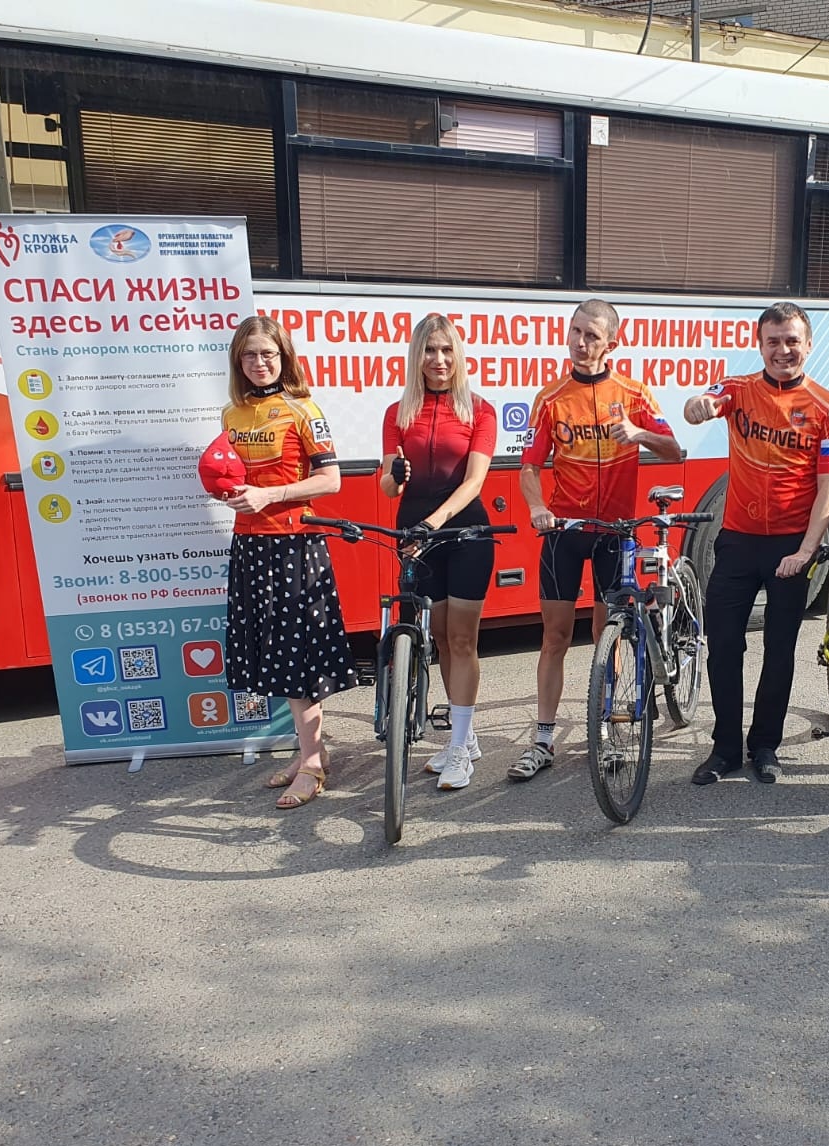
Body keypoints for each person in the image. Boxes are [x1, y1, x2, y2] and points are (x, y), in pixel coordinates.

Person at [511, 299, 681, 781]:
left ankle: (605, 728)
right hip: (564, 532)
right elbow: (529, 468)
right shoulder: (551, 397)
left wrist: (639, 433)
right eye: (576, 332)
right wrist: (537, 508)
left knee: (610, 633)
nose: (581, 343)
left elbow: (674, 450)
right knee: (555, 637)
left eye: (592, 335)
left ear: (612, 343)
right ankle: (543, 739)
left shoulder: (634, 393)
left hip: (616, 533)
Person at [684, 301, 829, 785]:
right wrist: (698, 405)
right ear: (760, 345)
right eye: (773, 341)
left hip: (791, 548)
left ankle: (765, 745)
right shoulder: (738, 390)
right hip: (737, 542)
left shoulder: (826, 406)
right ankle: (725, 748)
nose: (783, 350)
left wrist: (806, 551)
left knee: (779, 650)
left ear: (808, 344)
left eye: (792, 340)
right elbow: (703, 404)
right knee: (723, 645)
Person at [220, 315, 359, 810]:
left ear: (284, 358)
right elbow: (234, 476)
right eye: (250, 354)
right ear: (238, 361)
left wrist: (270, 495)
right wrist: (229, 492)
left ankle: (314, 764)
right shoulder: (231, 414)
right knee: (273, 657)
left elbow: (330, 480)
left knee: (296, 661)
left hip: (294, 546)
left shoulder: (304, 409)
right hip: (249, 546)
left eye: (268, 354)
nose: (259, 363)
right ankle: (308, 752)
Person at [379, 314, 498, 791]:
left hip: (465, 533)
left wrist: (434, 522)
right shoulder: (397, 413)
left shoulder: (479, 410)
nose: (439, 359)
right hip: (414, 535)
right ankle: (463, 739)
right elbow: (388, 486)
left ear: (458, 355)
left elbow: (474, 482)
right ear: (417, 356)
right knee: (441, 639)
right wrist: (395, 476)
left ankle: (460, 748)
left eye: (447, 350)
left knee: (463, 640)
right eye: (430, 350)